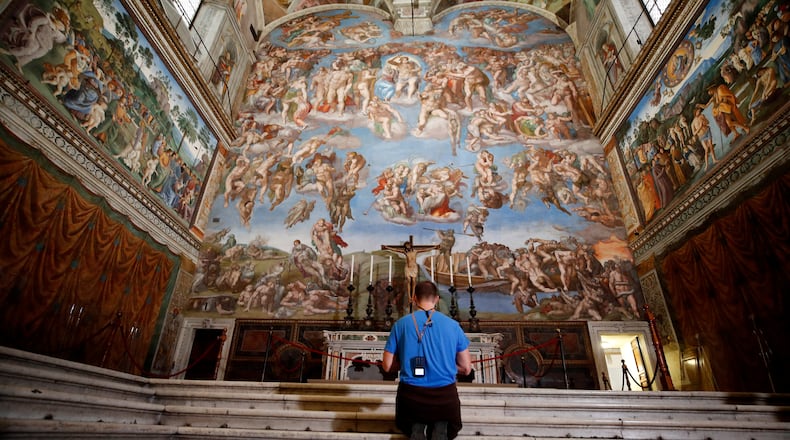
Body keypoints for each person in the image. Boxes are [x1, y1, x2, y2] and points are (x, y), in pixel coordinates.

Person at [382, 281, 472, 440]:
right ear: (437, 299)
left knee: (410, 422)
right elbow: (466, 368)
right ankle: (439, 425)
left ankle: (417, 426)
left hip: (411, 397)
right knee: (446, 423)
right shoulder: (453, 325)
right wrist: (445, 366)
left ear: (414, 299)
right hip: (445, 398)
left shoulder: (400, 324)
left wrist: (405, 363)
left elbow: (387, 366)